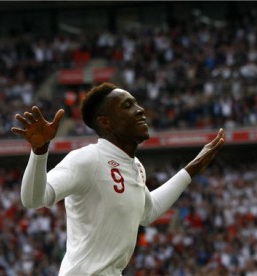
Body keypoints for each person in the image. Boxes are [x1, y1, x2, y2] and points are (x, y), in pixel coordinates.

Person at [11, 82, 224, 275]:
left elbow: (147, 212)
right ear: (105, 122)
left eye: (137, 104)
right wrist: (39, 151)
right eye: (128, 106)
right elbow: (33, 199)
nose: (140, 110)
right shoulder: (88, 158)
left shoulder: (136, 166)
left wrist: (193, 168)